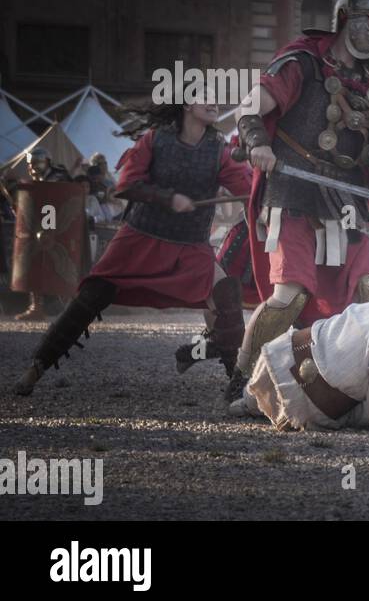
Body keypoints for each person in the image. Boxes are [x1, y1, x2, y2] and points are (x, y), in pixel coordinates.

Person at [231, 0, 369, 402]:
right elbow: (250, 108)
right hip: (293, 190)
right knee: (289, 297)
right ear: (349, 18)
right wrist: (260, 146)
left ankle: (360, 384)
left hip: (347, 200)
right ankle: (242, 379)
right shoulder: (303, 62)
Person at [14, 100, 252, 396]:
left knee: (225, 296)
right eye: (206, 97)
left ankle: (238, 388)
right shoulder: (155, 140)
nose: (215, 104)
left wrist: (269, 179)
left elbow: (247, 188)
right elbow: (125, 185)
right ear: (187, 105)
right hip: (140, 238)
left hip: (190, 245)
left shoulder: (219, 151)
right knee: (91, 297)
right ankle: (34, 369)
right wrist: (168, 198)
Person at [229, 255, 369, 432]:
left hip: (274, 364)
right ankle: (264, 406)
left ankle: (251, 402)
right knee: (363, 411)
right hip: (309, 403)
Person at [11, 147, 77, 321]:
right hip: (40, 230)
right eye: (30, 164)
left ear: (47, 161)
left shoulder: (58, 177)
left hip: (61, 228)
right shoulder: (37, 180)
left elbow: (57, 200)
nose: (33, 167)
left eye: (36, 162)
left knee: (62, 266)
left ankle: (71, 307)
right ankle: (36, 307)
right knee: (34, 264)